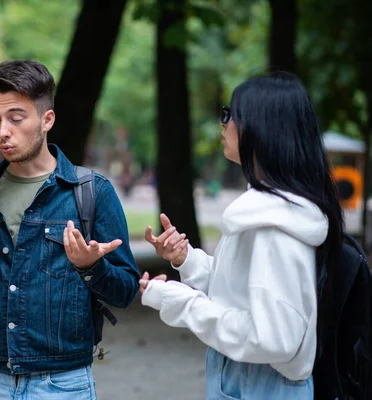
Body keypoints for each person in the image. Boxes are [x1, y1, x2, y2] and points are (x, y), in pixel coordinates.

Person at [0, 60, 140, 399]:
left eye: (16, 118)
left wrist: (92, 267)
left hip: (62, 383)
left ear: (47, 120)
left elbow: (126, 291)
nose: (3, 130)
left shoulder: (91, 191)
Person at [140, 73, 343, 399]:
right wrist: (186, 260)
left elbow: (275, 339)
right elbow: (241, 293)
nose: (222, 124)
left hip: (260, 383)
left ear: (259, 127)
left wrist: (184, 303)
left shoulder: (274, 226)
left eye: (228, 114)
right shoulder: (269, 212)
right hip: (249, 378)